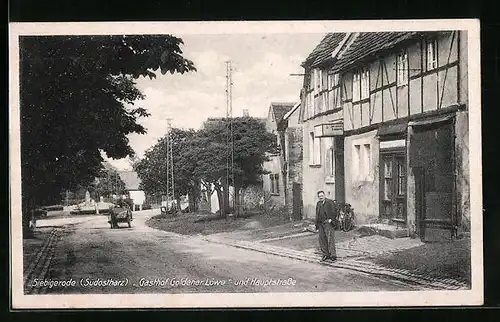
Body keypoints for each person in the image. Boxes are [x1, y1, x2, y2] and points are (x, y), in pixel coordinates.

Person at [315, 190, 338, 262]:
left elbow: (335, 211)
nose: (321, 197)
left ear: (324, 195)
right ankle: (325, 254)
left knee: (330, 239)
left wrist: (331, 220)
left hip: (328, 223)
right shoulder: (318, 203)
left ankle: (333, 255)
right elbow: (317, 213)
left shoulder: (330, 202)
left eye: (322, 196)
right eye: (319, 196)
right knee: (322, 239)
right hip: (320, 223)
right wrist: (317, 223)